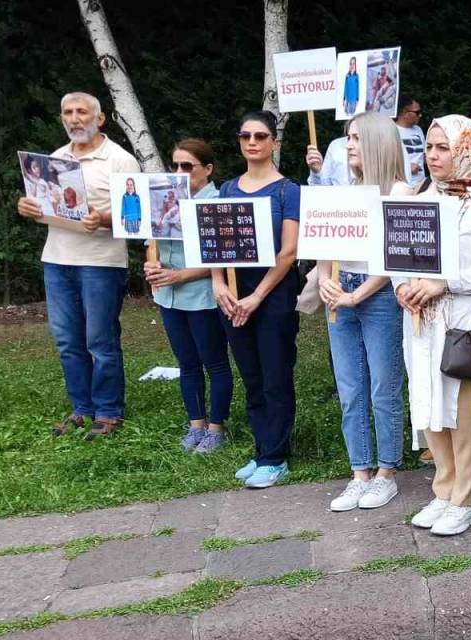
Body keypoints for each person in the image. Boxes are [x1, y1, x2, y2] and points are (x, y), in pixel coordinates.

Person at [397, 114, 471, 536]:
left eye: (443, 147)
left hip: (467, 319)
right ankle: (443, 487)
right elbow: (399, 251)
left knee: (464, 410)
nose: (433, 155)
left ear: (467, 149)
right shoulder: (422, 197)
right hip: (422, 319)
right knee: (430, 403)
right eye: (429, 147)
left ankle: (467, 498)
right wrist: (404, 287)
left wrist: (445, 284)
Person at [17, 92, 140, 440]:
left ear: (99, 119)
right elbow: (47, 206)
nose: (75, 118)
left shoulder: (120, 160)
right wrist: (29, 207)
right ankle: (82, 408)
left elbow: (137, 218)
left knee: (99, 341)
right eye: (68, 112)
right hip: (57, 259)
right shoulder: (53, 160)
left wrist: (103, 219)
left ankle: (108, 411)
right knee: (68, 341)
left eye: (82, 112)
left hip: (101, 262)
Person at [319, 111, 409, 512]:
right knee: (350, 388)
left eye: (355, 137)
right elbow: (322, 237)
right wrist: (324, 277)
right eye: (348, 137)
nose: (348, 144)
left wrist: (359, 295)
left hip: (381, 296)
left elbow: (395, 259)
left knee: (383, 387)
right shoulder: (343, 189)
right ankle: (359, 473)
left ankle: (387, 472)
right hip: (341, 292)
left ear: (375, 141)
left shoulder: (401, 192)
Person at [211, 110, 302, 489]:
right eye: (246, 135)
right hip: (234, 296)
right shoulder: (227, 190)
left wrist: (257, 296)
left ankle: (275, 456)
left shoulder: (288, 191)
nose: (252, 142)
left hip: (274, 295)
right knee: (250, 375)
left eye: (261, 136)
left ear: (274, 142)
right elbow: (214, 244)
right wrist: (219, 285)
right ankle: (262, 446)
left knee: (275, 375)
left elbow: (289, 252)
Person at [142, 138, 233, 454]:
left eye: (187, 166)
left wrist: (179, 275)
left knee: (214, 362)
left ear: (207, 169)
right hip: (169, 296)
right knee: (186, 362)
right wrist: (152, 263)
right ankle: (196, 424)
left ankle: (217, 428)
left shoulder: (217, 201)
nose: (179, 172)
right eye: (175, 165)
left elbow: (223, 257)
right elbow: (150, 240)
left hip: (203, 296)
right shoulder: (164, 198)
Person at [306, 121, 351, 187]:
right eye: (349, 138)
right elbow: (321, 190)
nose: (349, 145)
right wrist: (317, 172)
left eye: (357, 138)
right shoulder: (337, 145)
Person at [395, 96, 427, 188]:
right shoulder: (391, 130)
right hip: (401, 185)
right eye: (417, 112)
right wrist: (407, 168)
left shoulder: (418, 130)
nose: (420, 115)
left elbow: (424, 155)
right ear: (404, 113)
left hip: (421, 185)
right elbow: (384, 161)